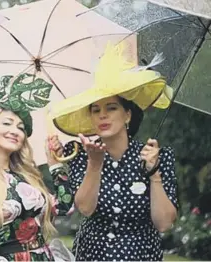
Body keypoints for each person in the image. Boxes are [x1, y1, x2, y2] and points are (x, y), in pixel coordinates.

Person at [47, 41, 178, 261]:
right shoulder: (81, 153)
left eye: (111, 108)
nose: (102, 115)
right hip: (92, 255)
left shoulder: (157, 156)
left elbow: (164, 223)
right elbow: (85, 208)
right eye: (96, 110)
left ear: (127, 114)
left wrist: (154, 173)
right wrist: (95, 164)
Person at [0, 78, 73, 261]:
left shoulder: (26, 177)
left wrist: (55, 165)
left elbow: (64, 207)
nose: (15, 130)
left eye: (21, 128)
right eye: (7, 123)